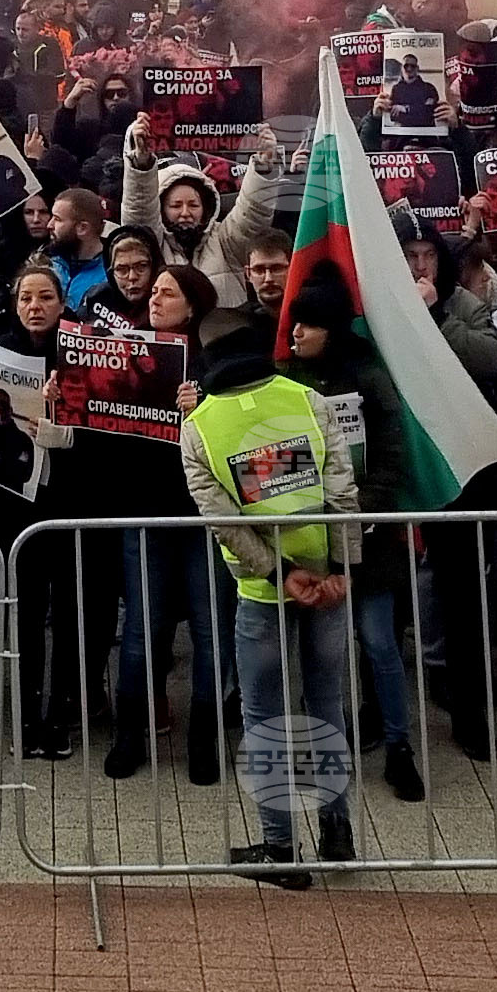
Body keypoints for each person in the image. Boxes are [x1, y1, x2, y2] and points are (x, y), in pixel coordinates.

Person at [180, 331, 362, 884]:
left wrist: (281, 576)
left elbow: (226, 524)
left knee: (264, 717)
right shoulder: (306, 400)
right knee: (327, 700)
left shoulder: (199, 428)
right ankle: (339, 833)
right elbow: (342, 487)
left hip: (264, 591)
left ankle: (281, 851)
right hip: (327, 583)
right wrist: (339, 569)